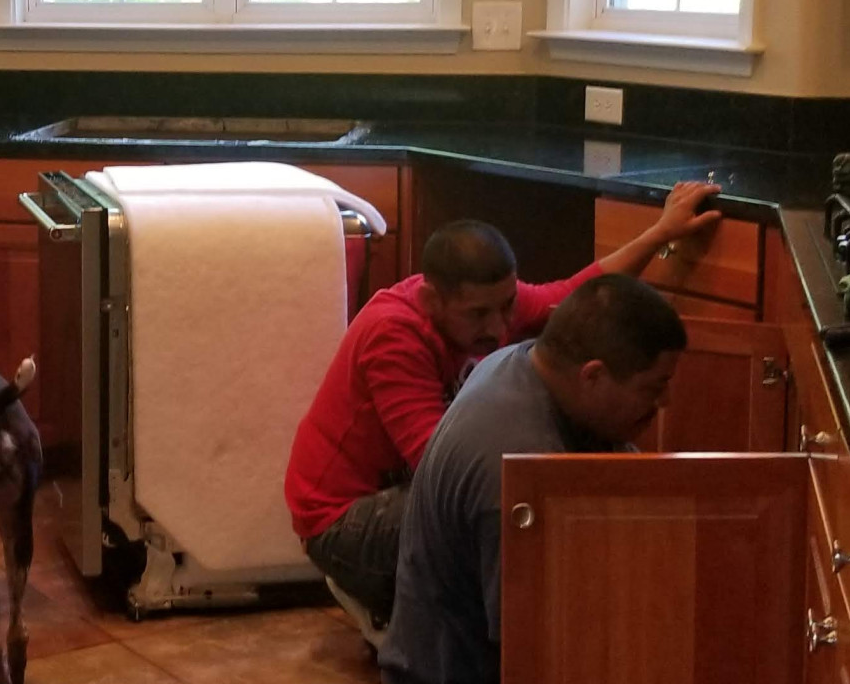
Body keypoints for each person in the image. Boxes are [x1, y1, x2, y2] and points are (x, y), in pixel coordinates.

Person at [303, 272, 688, 684]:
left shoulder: (522, 361)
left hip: (470, 661)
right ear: (592, 376)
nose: (662, 405)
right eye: (653, 388)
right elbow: (536, 662)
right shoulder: (517, 479)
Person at [285, 181, 721, 638]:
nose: (498, 327)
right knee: (492, 503)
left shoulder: (485, 306)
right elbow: (439, 470)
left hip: (397, 488)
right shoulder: (393, 335)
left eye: (508, 305)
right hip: (340, 520)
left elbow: (572, 297)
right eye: (478, 315)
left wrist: (660, 231)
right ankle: (397, 608)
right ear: (433, 301)